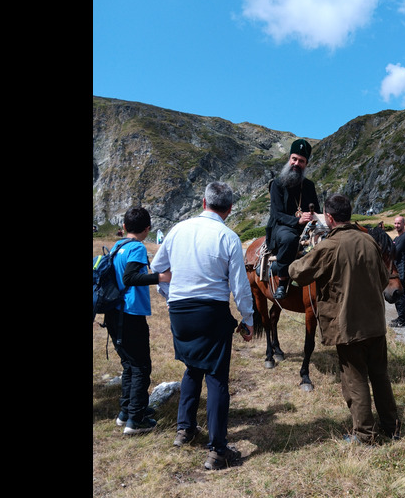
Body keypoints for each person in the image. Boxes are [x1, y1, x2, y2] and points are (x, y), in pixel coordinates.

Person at [149, 181, 254, 470]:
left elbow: (158, 270)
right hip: (211, 310)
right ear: (229, 209)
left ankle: (185, 429)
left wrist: (171, 299)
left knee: (192, 366)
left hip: (180, 312)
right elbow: (239, 285)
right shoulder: (228, 236)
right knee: (217, 376)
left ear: (203, 202)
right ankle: (218, 451)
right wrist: (248, 319)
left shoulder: (178, 230)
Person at [289, 194, 401, 444]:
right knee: (381, 376)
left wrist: (290, 263)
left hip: (348, 326)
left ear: (329, 217)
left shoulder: (329, 245)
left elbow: (298, 272)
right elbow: (384, 279)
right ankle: (392, 428)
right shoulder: (370, 241)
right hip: (375, 324)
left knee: (355, 379)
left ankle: (365, 435)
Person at [105, 207, 172, 436]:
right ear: (147, 229)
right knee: (141, 366)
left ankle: (126, 412)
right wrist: (160, 277)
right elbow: (130, 277)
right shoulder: (136, 247)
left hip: (114, 312)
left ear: (124, 227)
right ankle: (136, 420)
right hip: (130, 313)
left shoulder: (117, 247)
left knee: (129, 364)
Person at [266, 138, 321, 299]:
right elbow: (276, 214)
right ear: (289, 159)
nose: (297, 163)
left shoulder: (309, 186)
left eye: (301, 161)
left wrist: (312, 216)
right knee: (290, 239)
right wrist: (297, 220)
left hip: (306, 227)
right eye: (294, 159)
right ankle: (283, 282)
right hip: (281, 227)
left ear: (306, 164)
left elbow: (316, 209)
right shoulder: (277, 184)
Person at [390, 215, 405, 327]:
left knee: (400, 294)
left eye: (399, 223)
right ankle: (402, 316)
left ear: (404, 224)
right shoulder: (396, 238)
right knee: (398, 293)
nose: (396, 225)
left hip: (401, 268)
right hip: (396, 268)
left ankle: (402, 320)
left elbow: (395, 252)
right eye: (395, 223)